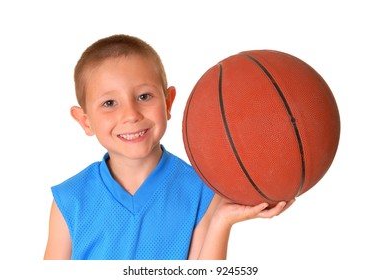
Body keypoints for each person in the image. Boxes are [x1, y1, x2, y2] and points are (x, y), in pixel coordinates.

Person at [43, 34, 294, 260]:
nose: (131, 114)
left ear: (168, 102)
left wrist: (222, 221)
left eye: (144, 96)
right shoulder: (70, 199)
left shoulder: (203, 190)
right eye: (109, 103)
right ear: (85, 121)